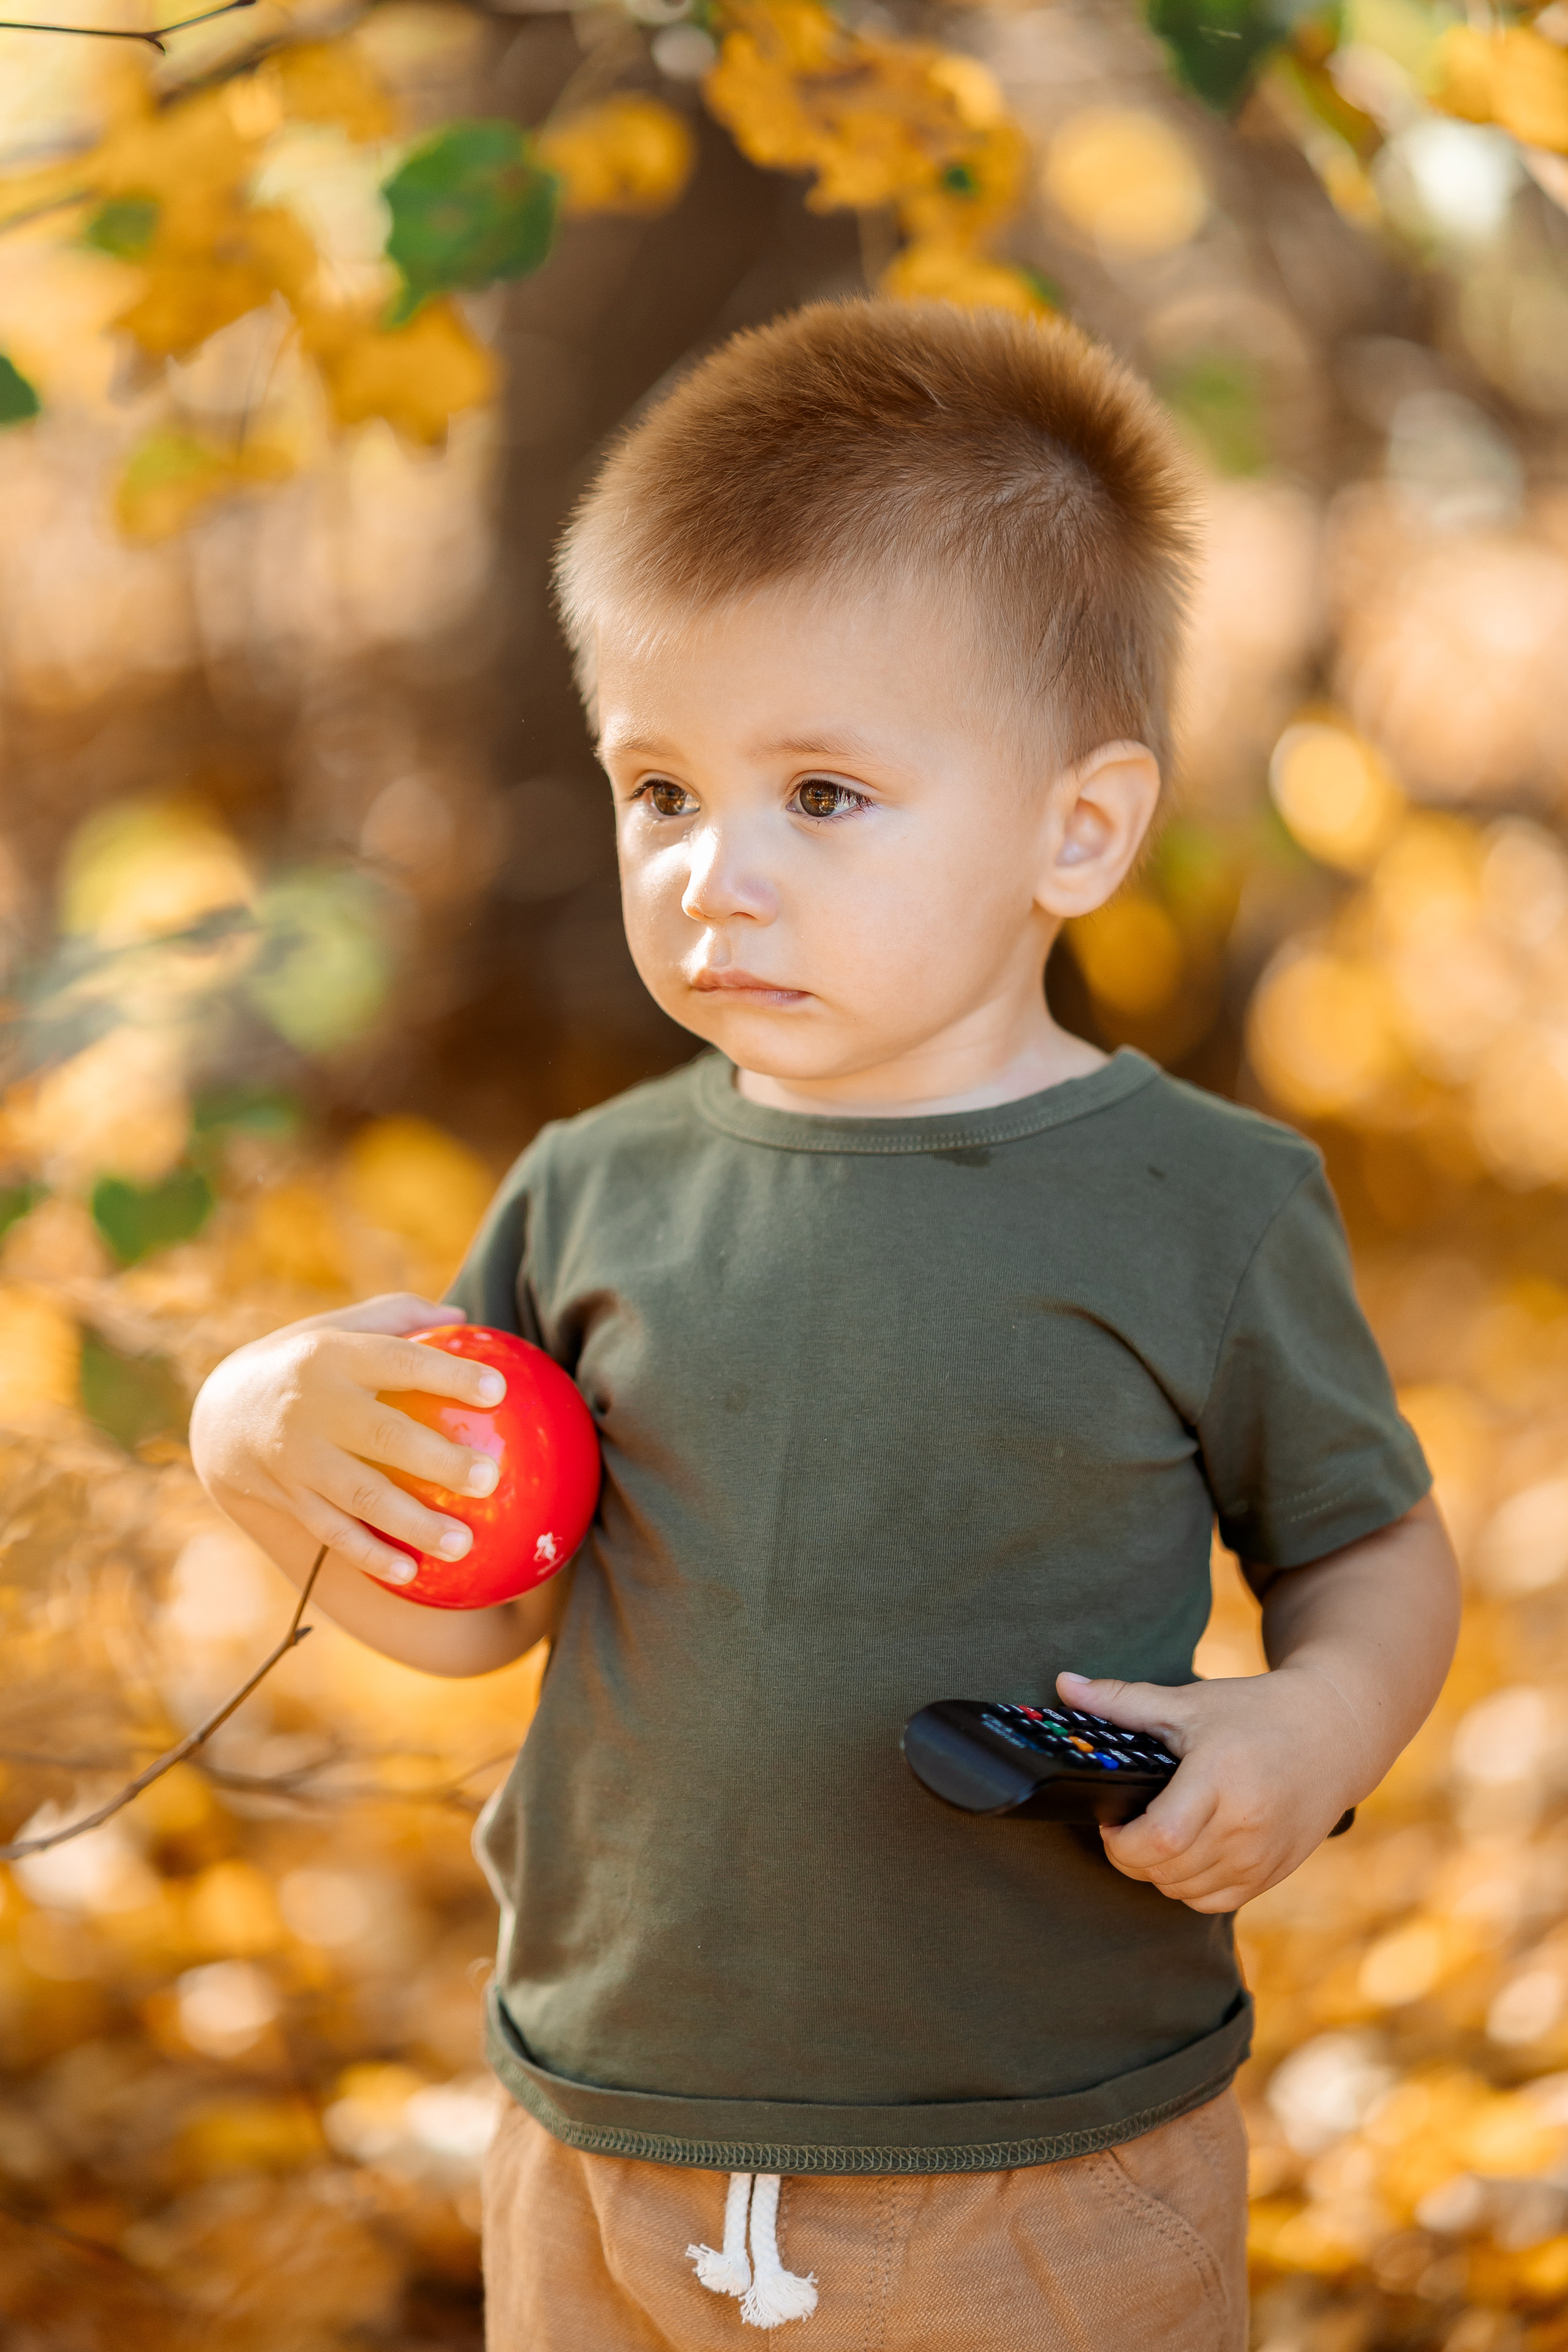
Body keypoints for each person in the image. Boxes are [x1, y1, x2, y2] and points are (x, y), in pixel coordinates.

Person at [190, 300, 1461, 2351]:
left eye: (826, 796)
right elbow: (469, 1617)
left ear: (1082, 827)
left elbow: (1368, 1545)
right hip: (607, 2123)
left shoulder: (1201, 1205)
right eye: (662, 789)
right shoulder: (589, 1191)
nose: (716, 875)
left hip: (1043, 2157)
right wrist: (255, 1437)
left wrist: (1312, 1734)